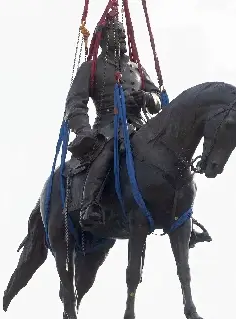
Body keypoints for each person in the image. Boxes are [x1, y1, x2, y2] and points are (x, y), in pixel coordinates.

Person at [64, 8, 211, 248]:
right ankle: (90, 204)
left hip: (140, 126)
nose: (123, 38)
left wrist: (145, 98)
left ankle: (182, 216)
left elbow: (157, 99)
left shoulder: (137, 68)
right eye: (117, 33)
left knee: (171, 156)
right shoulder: (90, 69)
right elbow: (75, 103)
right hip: (108, 127)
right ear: (103, 39)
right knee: (109, 151)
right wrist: (83, 130)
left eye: (124, 34)